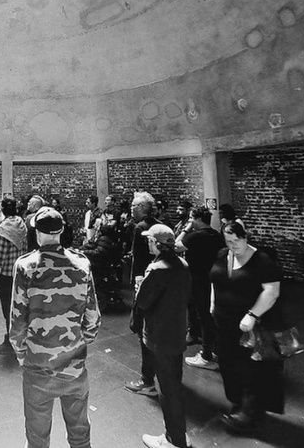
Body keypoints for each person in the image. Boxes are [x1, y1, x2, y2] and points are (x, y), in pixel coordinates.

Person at [11, 207, 101, 448]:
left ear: (36, 232)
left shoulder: (25, 265)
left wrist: (21, 354)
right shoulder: (82, 264)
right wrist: (79, 344)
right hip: (74, 367)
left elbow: (17, 320)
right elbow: (93, 318)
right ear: (61, 231)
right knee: (80, 435)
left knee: (37, 439)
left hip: (37, 367)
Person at [210, 221, 283, 432]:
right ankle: (238, 401)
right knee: (227, 362)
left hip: (250, 325)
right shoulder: (223, 254)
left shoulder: (262, 260)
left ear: (245, 237)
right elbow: (215, 279)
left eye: (237, 240)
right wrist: (212, 303)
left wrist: (252, 314)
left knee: (250, 367)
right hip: (224, 320)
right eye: (229, 241)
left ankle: (250, 412)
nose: (233, 245)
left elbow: (272, 291)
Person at [134, 225, 192, 448]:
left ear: (156, 244)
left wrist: (140, 287)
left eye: (149, 240)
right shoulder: (183, 264)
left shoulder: (157, 269)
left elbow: (144, 302)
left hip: (159, 334)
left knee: (167, 390)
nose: (147, 243)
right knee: (174, 385)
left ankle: (173, 439)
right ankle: (179, 433)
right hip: (177, 331)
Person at [176, 207, 224, 367]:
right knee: (211, 316)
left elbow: (175, 246)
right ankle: (215, 350)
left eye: (191, 218)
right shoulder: (216, 235)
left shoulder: (195, 236)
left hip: (198, 280)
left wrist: (185, 229)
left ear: (197, 219)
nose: (190, 221)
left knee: (204, 317)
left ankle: (206, 355)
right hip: (213, 280)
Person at [125, 191, 161, 396]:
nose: (131, 208)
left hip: (144, 284)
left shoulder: (139, 228)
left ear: (141, 208)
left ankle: (147, 380)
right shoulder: (158, 224)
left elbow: (137, 260)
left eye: (133, 205)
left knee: (143, 331)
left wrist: (135, 283)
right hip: (157, 285)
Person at [0, 195, 27, 355]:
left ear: (3, 209)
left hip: (6, 274)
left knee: (7, 307)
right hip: (21, 271)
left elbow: (0, 255)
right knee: (19, 306)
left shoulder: (4, 227)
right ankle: (21, 338)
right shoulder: (22, 223)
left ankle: (10, 341)